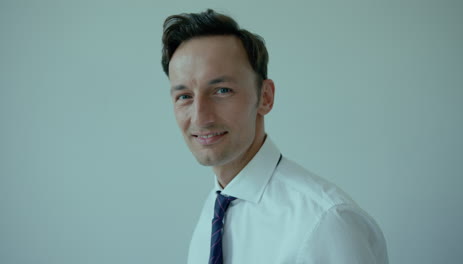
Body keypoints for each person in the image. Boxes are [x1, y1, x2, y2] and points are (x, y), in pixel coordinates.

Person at [161, 9, 389, 264]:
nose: (200, 117)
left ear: (265, 97)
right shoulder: (214, 212)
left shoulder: (326, 222)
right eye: (184, 96)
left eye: (222, 90)